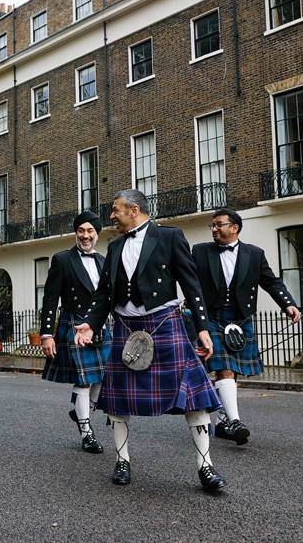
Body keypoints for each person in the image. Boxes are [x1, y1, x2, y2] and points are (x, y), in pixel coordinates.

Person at [74, 189, 226, 492]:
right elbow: (104, 292)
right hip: (126, 328)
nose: (111, 216)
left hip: (164, 324)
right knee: (117, 400)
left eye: (115, 210)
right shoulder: (115, 246)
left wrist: (203, 328)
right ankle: (122, 460)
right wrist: (90, 324)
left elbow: (191, 284)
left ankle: (205, 467)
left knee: (193, 398)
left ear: (133, 210)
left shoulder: (169, 237)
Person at [192, 208, 300, 444]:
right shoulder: (200, 251)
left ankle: (221, 420)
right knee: (225, 368)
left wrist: (288, 304)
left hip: (240, 318)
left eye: (219, 224)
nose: (214, 228)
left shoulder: (254, 254)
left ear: (234, 228)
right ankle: (235, 421)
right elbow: (187, 279)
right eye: (213, 225)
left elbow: (271, 281)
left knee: (233, 371)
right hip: (211, 316)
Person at [39, 210, 110, 454]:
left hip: (99, 327)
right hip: (74, 325)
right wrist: (47, 334)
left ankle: (79, 411)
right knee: (83, 380)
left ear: (97, 234)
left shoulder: (104, 261)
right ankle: (86, 433)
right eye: (81, 230)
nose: (85, 235)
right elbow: (50, 298)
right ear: (76, 233)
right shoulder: (62, 259)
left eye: (90, 231)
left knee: (101, 378)